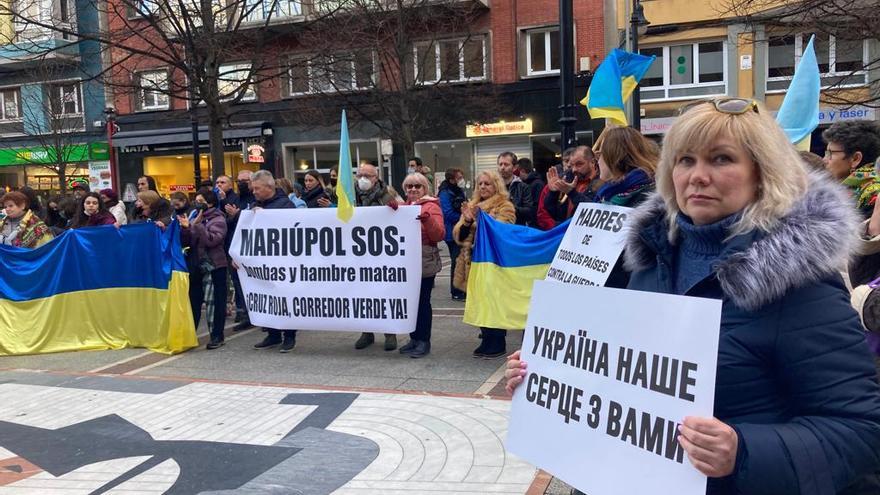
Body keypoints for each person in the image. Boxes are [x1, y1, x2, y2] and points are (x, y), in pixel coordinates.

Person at [506, 97, 880, 494]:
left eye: (720, 159)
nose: (698, 176)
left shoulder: (800, 284)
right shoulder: (650, 256)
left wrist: (743, 452)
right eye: (685, 160)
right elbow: (623, 378)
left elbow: (861, 430)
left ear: (762, 172)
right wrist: (547, 375)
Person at [453, 170, 516, 358]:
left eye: (487, 184)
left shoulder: (505, 206)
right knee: (480, 302)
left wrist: (479, 219)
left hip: (492, 263)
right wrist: (467, 222)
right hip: (472, 261)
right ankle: (487, 337)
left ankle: (497, 341)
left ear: (496, 185)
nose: (482, 187)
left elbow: (502, 233)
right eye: (480, 184)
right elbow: (460, 236)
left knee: (493, 302)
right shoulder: (472, 206)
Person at [249, 170, 299, 353]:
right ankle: (273, 333)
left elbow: (291, 230)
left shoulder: (286, 205)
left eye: (257, 188)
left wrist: (266, 216)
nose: (253, 191)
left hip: (282, 261)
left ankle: (289, 336)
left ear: (269, 187)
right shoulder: (255, 205)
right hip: (263, 261)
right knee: (267, 297)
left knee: (285, 298)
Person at [354, 162, 400, 351]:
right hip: (357, 254)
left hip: (382, 254)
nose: (364, 178)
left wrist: (395, 207)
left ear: (377, 178)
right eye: (360, 175)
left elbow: (401, 212)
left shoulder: (387, 193)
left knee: (384, 293)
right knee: (362, 295)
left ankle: (390, 333)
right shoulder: (350, 194)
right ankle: (366, 332)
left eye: (369, 175)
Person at [398, 172, 445, 358]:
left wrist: (427, 219)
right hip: (406, 261)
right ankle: (414, 338)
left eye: (417, 186)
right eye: (409, 186)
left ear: (425, 188)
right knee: (411, 302)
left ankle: (424, 340)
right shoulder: (404, 207)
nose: (413, 189)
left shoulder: (431, 207)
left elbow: (439, 234)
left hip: (424, 260)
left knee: (422, 302)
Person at [179, 188, 229, 350]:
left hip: (214, 266)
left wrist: (198, 225)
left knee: (214, 302)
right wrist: (186, 228)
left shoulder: (218, 218)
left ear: (210, 203)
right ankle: (189, 335)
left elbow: (212, 240)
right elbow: (187, 242)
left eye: (201, 202)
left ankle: (216, 335)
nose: (197, 205)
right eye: (196, 201)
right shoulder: (193, 216)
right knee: (193, 301)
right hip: (196, 266)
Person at [823, 120, 880, 217]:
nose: (824, 160)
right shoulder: (845, 190)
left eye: (830, 153)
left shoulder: (872, 194)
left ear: (855, 159)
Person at [592, 126, 657, 206]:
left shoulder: (649, 200)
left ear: (614, 157)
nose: (598, 161)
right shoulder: (605, 193)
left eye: (601, 154)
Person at [224, 170, 256, 330]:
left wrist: (238, 214)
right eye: (239, 181)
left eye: (245, 180)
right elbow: (227, 222)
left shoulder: (256, 198)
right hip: (236, 244)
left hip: (253, 246)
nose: (242, 183)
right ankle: (244, 312)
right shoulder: (236, 199)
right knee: (238, 281)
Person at [544, 145, 601, 223]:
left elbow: (594, 212)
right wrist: (553, 193)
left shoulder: (602, 181)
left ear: (592, 162)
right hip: (565, 231)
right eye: (571, 165)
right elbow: (553, 213)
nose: (574, 169)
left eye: (579, 164)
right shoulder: (567, 178)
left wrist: (572, 193)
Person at [438, 168, 467, 301]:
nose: (461, 180)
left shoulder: (458, 190)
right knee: (456, 261)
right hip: (452, 232)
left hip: (461, 229)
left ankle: (461, 288)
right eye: (459, 177)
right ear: (452, 179)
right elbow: (448, 213)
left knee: (461, 260)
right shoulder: (445, 192)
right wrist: (465, 217)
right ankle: (456, 290)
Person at [536, 147, 575, 230]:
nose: (569, 165)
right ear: (562, 163)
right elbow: (542, 213)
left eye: (572, 161)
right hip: (556, 231)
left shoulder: (583, 185)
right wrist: (558, 228)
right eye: (566, 161)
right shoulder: (550, 185)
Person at [496, 152, 534, 226]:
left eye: (506, 164)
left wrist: (510, 207)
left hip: (516, 230)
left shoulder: (523, 187)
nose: (502, 167)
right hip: (497, 230)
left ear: (515, 167)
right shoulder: (492, 187)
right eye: (500, 164)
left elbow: (529, 212)